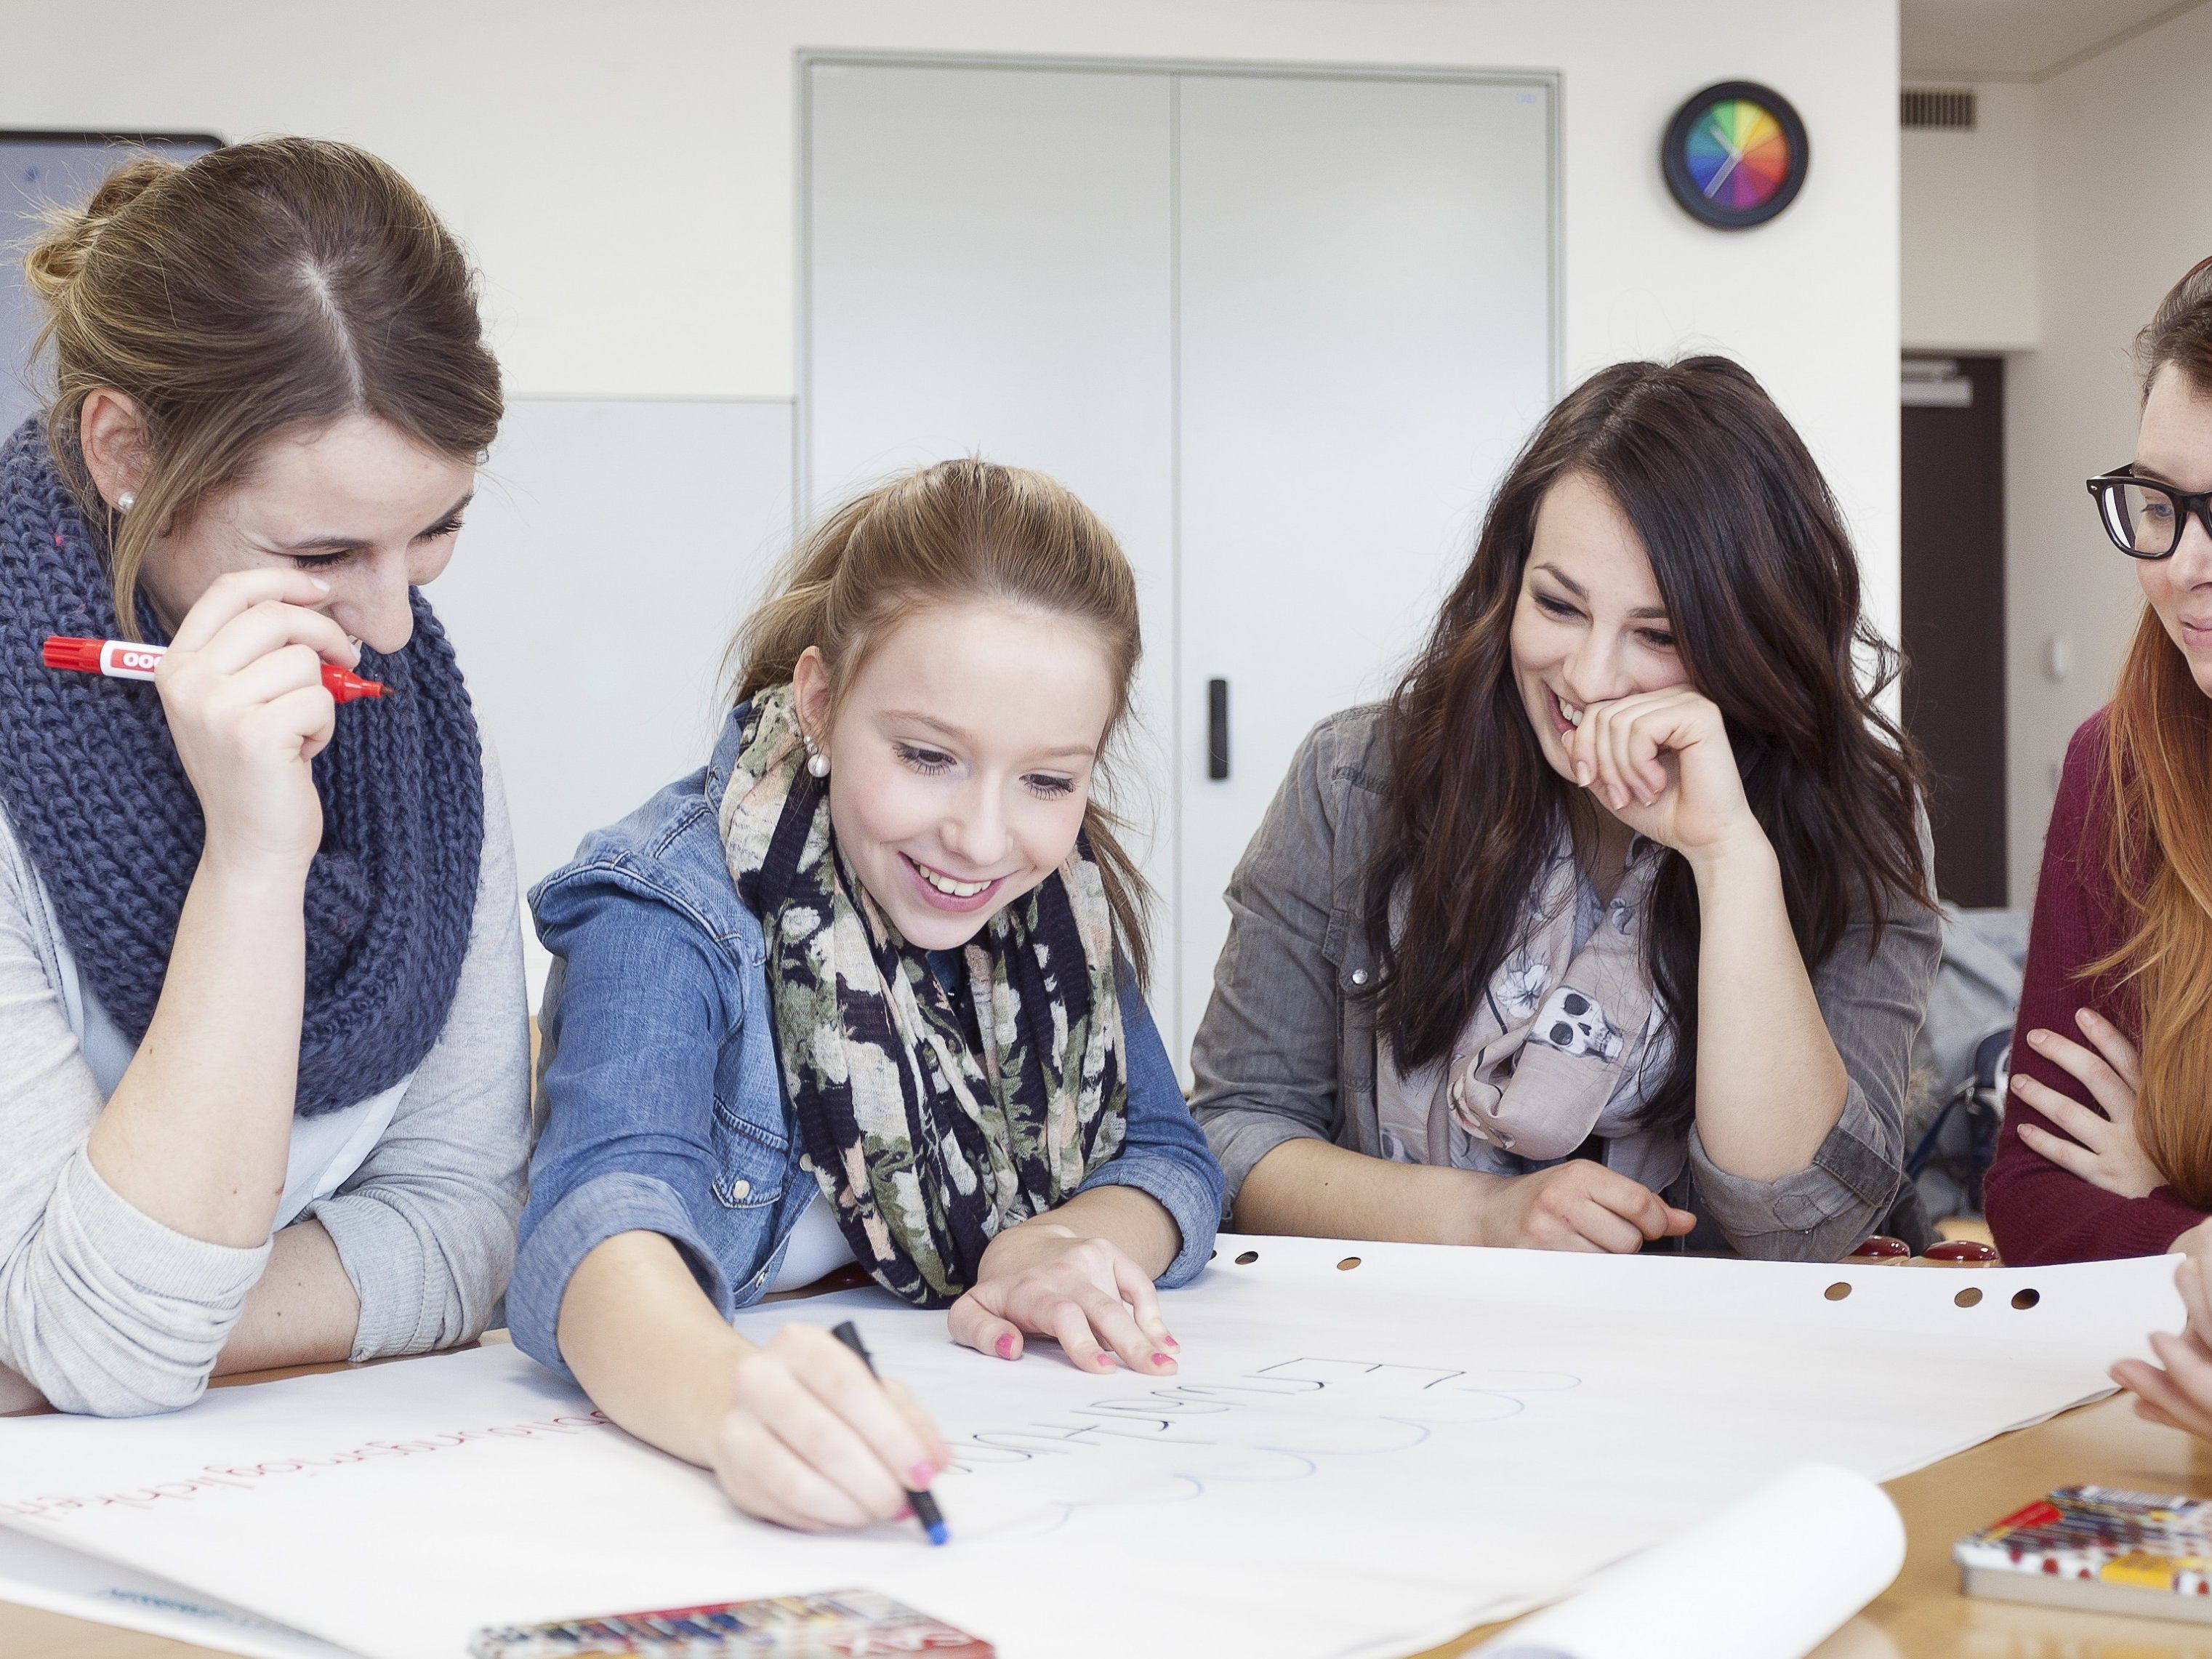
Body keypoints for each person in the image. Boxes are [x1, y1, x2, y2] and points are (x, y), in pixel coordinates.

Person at [509, 459, 1222, 1533]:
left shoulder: (1051, 909)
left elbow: (1164, 1151)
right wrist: (733, 1406)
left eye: (1046, 780)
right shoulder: (664, 905)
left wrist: (1056, 1241)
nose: (981, 839)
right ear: (821, 698)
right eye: (928, 755)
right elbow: (601, 1222)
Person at [1191, 357, 1939, 1261]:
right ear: (1509, 584)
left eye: (1658, 635)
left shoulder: (1854, 816)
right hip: (1391, 1351)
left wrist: (1729, 859)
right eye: (1558, 605)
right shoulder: (1357, 777)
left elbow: (1802, 1224)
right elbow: (1235, 1134)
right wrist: (1483, 1217)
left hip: (1702, 1367)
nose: (1588, 678)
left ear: (1748, 638)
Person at [0, 140, 530, 1417]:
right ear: (126, 451)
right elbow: (107, 1348)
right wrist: (249, 859)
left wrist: (75, 1332)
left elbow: (473, 1227)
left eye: (437, 529)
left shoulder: (419, 729)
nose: (392, 627)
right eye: (322, 548)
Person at [1990, 257, 2212, 1271]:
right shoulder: (2116, 765)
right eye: (2158, 503)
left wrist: (2162, 1211)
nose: (2175, 566)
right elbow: (2033, 1196)